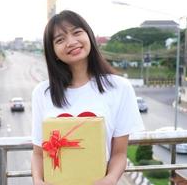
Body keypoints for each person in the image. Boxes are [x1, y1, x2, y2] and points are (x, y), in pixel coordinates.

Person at [31, 10, 144, 185]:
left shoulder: (119, 87)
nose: (71, 42)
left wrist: (110, 179)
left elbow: (119, 153)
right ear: (52, 51)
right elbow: (39, 153)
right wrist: (38, 182)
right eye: (60, 40)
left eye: (77, 32)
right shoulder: (42, 92)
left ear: (89, 36)